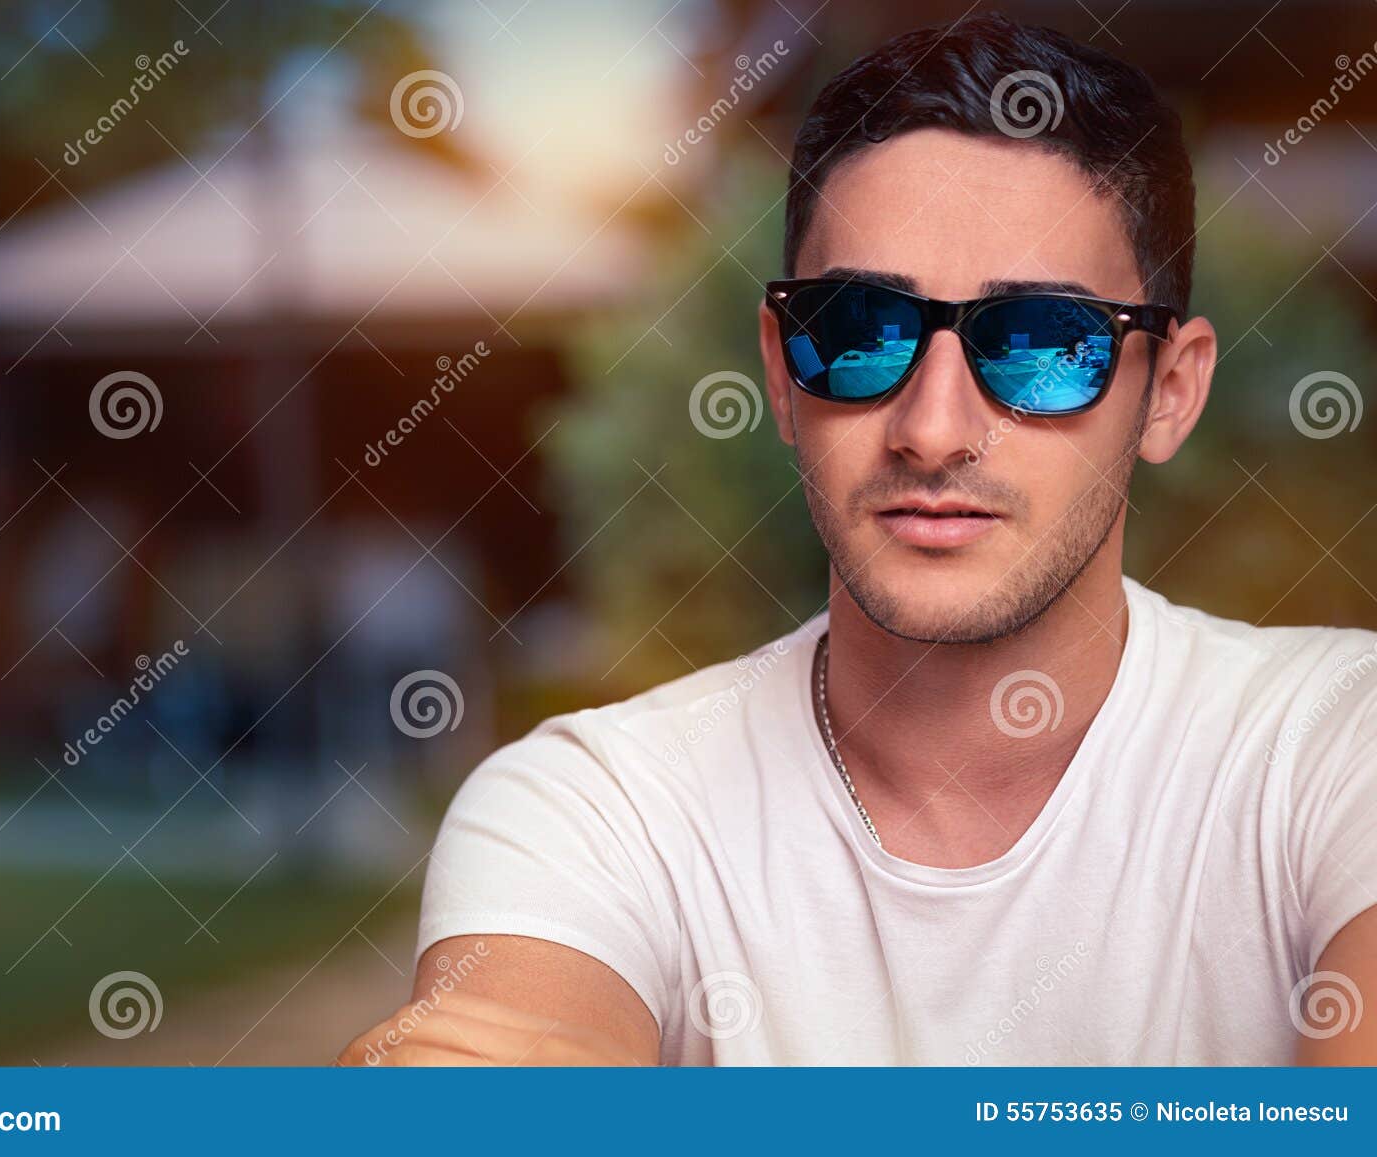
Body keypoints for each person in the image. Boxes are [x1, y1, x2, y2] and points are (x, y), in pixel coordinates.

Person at [340, 13, 1377, 1066]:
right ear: (783, 371)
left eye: (1039, 346)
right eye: (857, 330)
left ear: (1170, 393)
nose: (931, 429)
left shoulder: (1337, 744)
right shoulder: (596, 807)